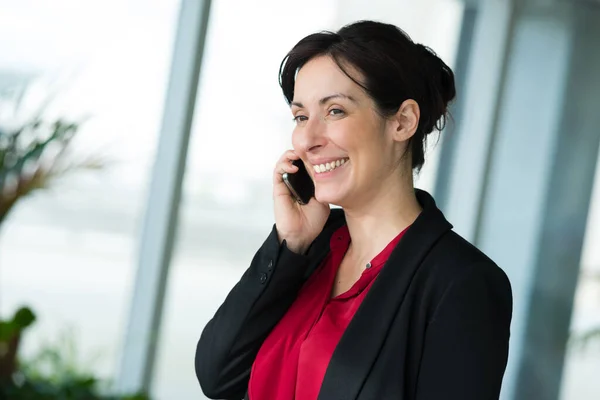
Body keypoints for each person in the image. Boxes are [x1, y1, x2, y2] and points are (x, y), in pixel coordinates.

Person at [195, 20, 512, 400]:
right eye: (300, 116)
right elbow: (219, 377)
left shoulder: (461, 283)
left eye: (335, 112)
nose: (308, 139)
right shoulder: (308, 252)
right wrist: (289, 244)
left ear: (403, 121)